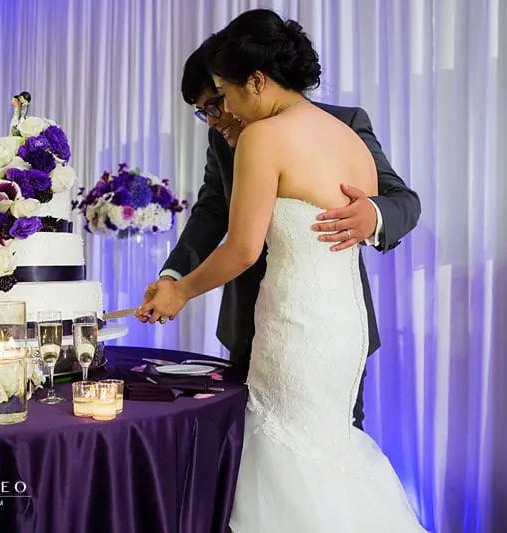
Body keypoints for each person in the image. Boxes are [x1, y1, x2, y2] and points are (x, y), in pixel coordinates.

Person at [137, 9, 426, 531]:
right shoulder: (334, 138)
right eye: (208, 110)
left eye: (219, 99)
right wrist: (175, 274)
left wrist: (374, 214)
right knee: (324, 458)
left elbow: (400, 199)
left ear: (254, 80)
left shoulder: (311, 128)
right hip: (311, 320)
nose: (219, 115)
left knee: (287, 464)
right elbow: (209, 212)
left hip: (296, 327)